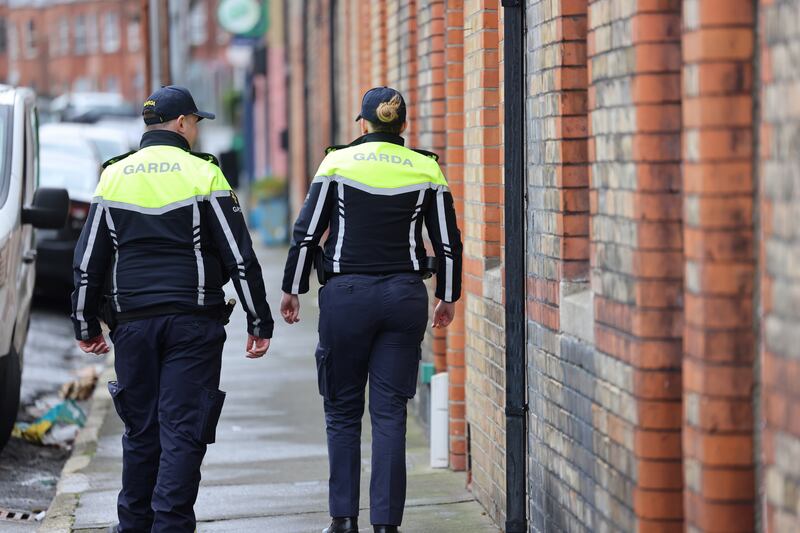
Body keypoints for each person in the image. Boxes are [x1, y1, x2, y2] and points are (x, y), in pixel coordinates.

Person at [71, 85, 274, 533]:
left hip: (133, 324)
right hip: (193, 322)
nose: (197, 130)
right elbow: (239, 255)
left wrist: (85, 322)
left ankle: (134, 525)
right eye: (196, 122)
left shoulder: (114, 176)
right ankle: (171, 525)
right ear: (182, 123)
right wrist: (259, 319)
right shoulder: (204, 175)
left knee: (141, 431)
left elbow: (88, 259)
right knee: (183, 431)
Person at [280, 87, 463, 533]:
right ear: (401, 126)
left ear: (361, 124)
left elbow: (308, 233)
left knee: (342, 411)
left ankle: (343, 519)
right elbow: (447, 242)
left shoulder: (337, 163)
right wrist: (448, 296)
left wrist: (292, 288)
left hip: (347, 296)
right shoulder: (426, 167)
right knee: (389, 414)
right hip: (404, 297)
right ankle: (386, 525)